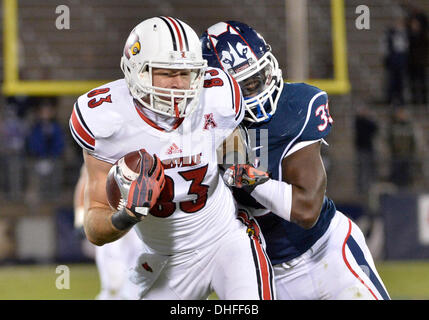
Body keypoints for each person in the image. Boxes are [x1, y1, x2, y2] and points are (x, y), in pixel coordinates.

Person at [69, 16, 274, 300]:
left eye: (186, 72)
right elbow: (94, 225)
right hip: (162, 258)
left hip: (226, 240)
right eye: (166, 72)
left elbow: (233, 150)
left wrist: (240, 167)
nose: (179, 84)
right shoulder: (107, 119)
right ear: (136, 71)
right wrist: (127, 215)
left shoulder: (218, 96)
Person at [201, 21, 390, 300]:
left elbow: (307, 209)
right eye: (244, 87)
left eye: (258, 78)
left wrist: (246, 177)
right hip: (265, 273)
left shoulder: (295, 106)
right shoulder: (198, 129)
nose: (257, 91)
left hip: (327, 251)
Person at [73, 165, 142, 300]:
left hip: (140, 223)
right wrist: (80, 218)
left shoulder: (147, 152)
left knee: (138, 283)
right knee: (113, 284)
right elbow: (86, 179)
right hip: (109, 220)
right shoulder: (105, 151)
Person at [354, 105, 378, 197]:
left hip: (369, 148)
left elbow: (375, 128)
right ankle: (362, 190)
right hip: (361, 148)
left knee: (370, 168)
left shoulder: (368, 122)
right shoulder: (358, 122)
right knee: (362, 169)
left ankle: (370, 187)